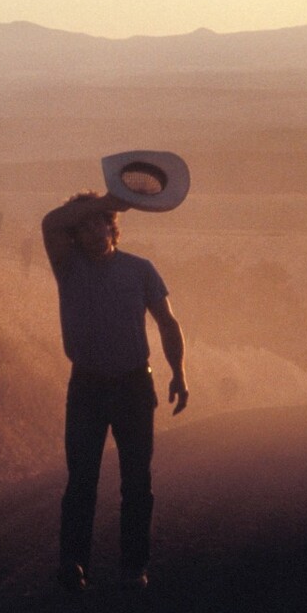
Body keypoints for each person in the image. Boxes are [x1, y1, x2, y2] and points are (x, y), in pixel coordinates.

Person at [41, 191, 189, 592]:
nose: (92, 231)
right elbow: (51, 222)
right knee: (81, 481)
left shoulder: (140, 269)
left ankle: (134, 567)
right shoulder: (67, 266)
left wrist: (178, 373)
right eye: (84, 225)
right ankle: (73, 564)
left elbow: (168, 324)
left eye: (99, 222)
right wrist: (110, 199)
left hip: (133, 385)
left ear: (113, 226)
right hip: (86, 385)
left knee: (137, 481)